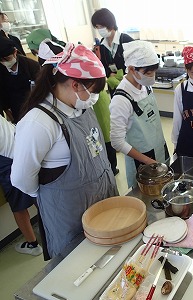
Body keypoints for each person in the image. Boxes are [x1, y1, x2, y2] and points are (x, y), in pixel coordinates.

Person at [11, 43, 118, 258]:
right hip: (70, 215)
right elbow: (21, 178)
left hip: (103, 203)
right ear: (75, 84)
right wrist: (50, 195)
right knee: (79, 265)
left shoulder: (81, 106)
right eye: (94, 91)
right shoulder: (39, 123)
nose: (95, 97)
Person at [110, 41, 169, 188]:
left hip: (159, 148)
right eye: (148, 73)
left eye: (154, 72)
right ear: (131, 69)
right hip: (142, 159)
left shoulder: (146, 86)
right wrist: (148, 161)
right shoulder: (121, 99)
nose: (152, 76)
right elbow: (117, 142)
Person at [0, 115, 43, 256]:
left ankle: (33, 245)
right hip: (24, 147)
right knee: (38, 196)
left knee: (18, 206)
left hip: (9, 161)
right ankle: (53, 230)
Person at [91, 8, 134, 96]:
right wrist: (109, 74)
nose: (99, 30)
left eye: (102, 26)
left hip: (130, 85)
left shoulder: (126, 40)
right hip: (114, 87)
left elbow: (137, 63)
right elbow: (102, 65)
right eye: (97, 27)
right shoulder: (102, 45)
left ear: (110, 24)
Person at [0, 37, 40, 123]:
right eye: (1, 60)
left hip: (35, 106)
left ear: (15, 52)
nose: (4, 62)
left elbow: (41, 89)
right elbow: (3, 96)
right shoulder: (1, 70)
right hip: (15, 109)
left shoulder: (32, 66)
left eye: (7, 59)